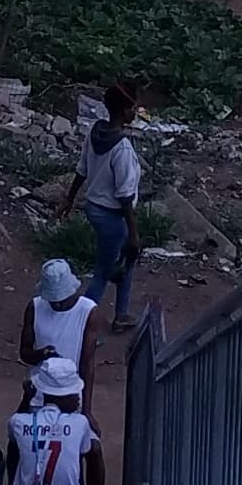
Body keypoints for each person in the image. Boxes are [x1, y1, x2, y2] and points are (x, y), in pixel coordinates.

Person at [7, 360, 104, 485]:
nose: (78, 398)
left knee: (15, 445)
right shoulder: (80, 422)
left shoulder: (19, 421)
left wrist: (27, 398)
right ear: (66, 396)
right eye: (75, 393)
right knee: (91, 448)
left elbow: (15, 430)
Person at [80, 87, 145, 326]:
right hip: (113, 217)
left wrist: (68, 199)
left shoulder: (95, 131)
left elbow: (82, 169)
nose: (135, 113)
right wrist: (134, 233)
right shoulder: (123, 148)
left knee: (127, 260)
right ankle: (82, 326)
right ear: (125, 110)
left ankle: (121, 314)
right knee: (102, 273)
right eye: (134, 108)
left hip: (93, 208)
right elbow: (125, 195)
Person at [20, 258, 99, 389]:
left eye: (62, 299)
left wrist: (86, 407)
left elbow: (87, 364)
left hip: (71, 393)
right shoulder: (34, 307)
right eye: (52, 299)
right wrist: (42, 354)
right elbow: (24, 354)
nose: (57, 303)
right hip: (38, 390)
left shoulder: (88, 311)